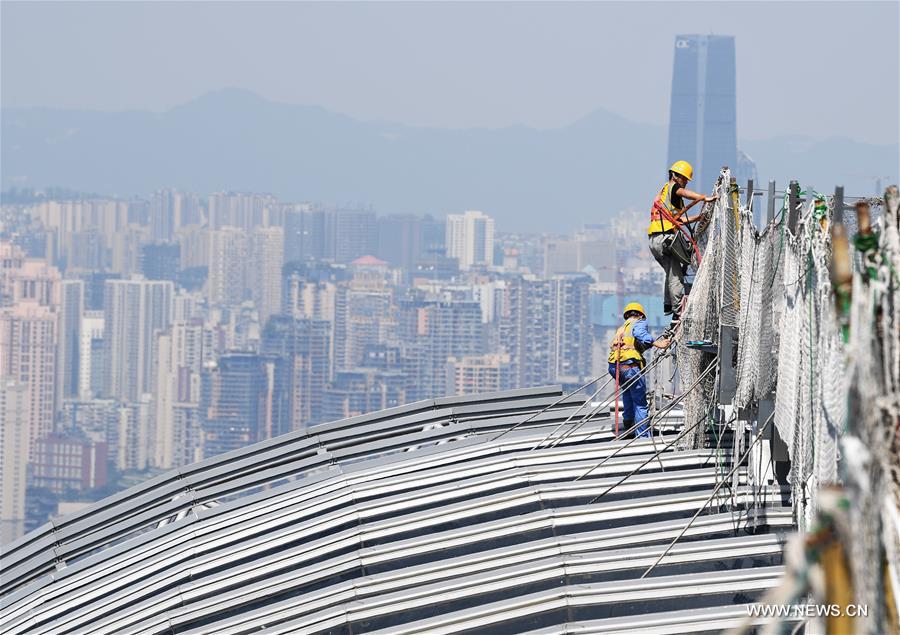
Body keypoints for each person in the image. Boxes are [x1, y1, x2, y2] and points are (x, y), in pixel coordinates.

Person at [648, 160, 717, 336]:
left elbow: (678, 221)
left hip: (658, 239)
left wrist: (699, 217)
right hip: (664, 239)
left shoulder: (665, 196)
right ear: (675, 176)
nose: (685, 182)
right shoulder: (673, 187)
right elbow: (683, 192)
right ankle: (679, 312)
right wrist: (703, 197)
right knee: (676, 274)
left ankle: (669, 306)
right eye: (684, 179)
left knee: (672, 271)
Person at [607, 302, 670, 438]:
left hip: (615, 366)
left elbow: (633, 345)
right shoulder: (639, 322)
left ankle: (628, 423)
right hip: (629, 366)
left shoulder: (623, 328)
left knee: (628, 393)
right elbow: (640, 333)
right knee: (640, 402)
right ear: (641, 315)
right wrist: (658, 343)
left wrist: (650, 344)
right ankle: (643, 437)